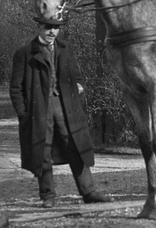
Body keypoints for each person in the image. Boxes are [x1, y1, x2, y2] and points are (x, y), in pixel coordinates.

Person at [9, 22, 110, 207]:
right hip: (38, 109)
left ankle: (89, 191)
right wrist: (24, 114)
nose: (52, 32)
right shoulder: (24, 53)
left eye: (56, 28)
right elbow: (16, 89)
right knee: (43, 150)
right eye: (48, 28)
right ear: (39, 27)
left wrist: (79, 90)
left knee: (76, 146)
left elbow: (76, 76)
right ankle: (48, 196)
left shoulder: (65, 48)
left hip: (65, 105)